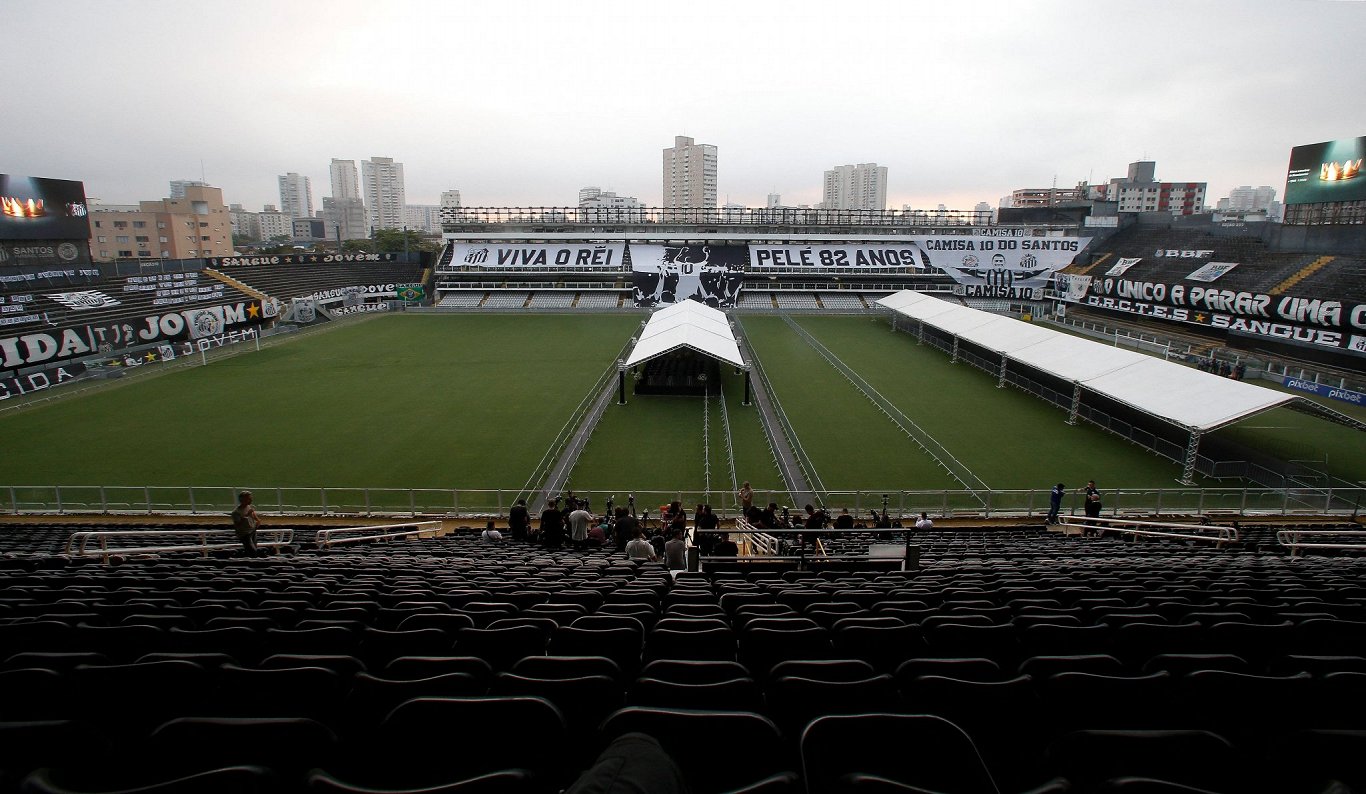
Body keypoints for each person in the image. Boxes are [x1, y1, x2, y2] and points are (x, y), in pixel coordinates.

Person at [230, 490, 262, 556]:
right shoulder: (236, 512)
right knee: (253, 552)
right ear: (243, 499)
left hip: (252, 531)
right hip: (245, 535)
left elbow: (252, 514)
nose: (251, 500)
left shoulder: (248, 507)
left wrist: (258, 520)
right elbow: (237, 524)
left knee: (253, 550)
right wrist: (247, 515)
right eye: (249, 498)